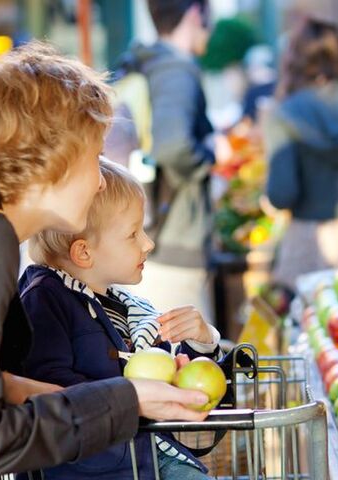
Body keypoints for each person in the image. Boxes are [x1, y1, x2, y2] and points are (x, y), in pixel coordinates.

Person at [0, 42, 211, 480]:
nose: (101, 183)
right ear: (55, 157)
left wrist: (124, 397)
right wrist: (126, 401)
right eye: (94, 156)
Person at [18, 158, 223, 479]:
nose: (148, 243)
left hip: (146, 460)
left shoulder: (125, 305)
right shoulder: (44, 300)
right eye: (133, 234)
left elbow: (175, 378)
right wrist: (128, 395)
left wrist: (201, 341)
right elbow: (48, 391)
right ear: (84, 253)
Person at [110, 0, 227, 322]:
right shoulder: (177, 70)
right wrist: (212, 152)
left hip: (152, 236)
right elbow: (174, 146)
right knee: (189, 357)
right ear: (194, 13)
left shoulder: (144, 63)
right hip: (175, 243)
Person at [264, 17, 338, 290]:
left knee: (313, 325)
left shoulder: (284, 113)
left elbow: (282, 195)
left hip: (310, 242)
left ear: (293, 58)